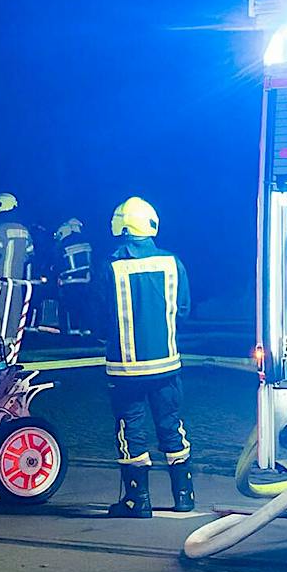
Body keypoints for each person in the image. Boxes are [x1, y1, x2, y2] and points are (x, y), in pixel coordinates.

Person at [92, 196, 193, 517]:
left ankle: (138, 501)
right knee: (171, 425)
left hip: (126, 369)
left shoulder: (111, 267)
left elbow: (99, 317)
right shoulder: (172, 263)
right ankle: (184, 496)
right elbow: (184, 310)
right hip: (166, 364)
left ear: (121, 227)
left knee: (131, 429)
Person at [0, 192, 37, 358]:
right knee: (14, 314)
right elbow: (30, 254)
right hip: (17, 282)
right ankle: (12, 348)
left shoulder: (0, 229)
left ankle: (1, 349)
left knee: (0, 314)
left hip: (2, 281)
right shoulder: (24, 231)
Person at [51, 217, 93, 341]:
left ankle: (71, 333)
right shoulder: (86, 242)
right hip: (86, 280)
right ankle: (86, 330)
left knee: (69, 308)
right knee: (85, 306)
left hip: (69, 282)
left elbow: (58, 264)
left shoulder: (64, 244)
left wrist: (54, 273)